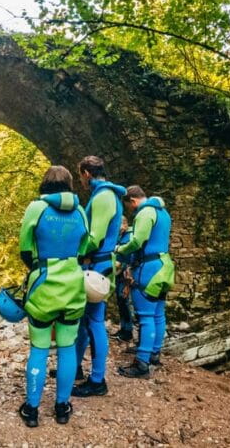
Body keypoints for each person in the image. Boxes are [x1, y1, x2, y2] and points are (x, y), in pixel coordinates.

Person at [18, 165, 90, 427]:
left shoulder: (36, 208)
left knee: (39, 348)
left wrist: (40, 267)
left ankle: (32, 410)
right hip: (73, 285)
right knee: (67, 347)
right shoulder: (80, 210)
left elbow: (25, 249)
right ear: (70, 185)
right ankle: (62, 406)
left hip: (44, 285)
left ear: (45, 184)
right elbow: (85, 247)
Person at [72, 156, 126, 398]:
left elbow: (95, 236)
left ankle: (97, 380)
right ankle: (75, 369)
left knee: (94, 322)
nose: (81, 181)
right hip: (97, 263)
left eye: (80, 176)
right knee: (84, 321)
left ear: (86, 173)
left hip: (97, 265)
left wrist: (76, 254)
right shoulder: (104, 194)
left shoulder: (103, 196)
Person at [115, 185, 175, 379]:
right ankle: (154, 354)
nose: (131, 211)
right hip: (164, 266)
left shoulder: (145, 212)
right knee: (158, 313)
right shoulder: (163, 212)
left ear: (132, 201)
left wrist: (118, 250)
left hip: (149, 269)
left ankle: (142, 363)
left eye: (129, 207)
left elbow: (137, 241)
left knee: (145, 316)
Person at [113, 215, 136, 343]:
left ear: (125, 224)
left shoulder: (130, 236)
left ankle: (128, 332)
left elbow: (130, 255)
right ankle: (124, 328)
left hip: (126, 273)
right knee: (121, 300)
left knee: (125, 300)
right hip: (118, 272)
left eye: (119, 225)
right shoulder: (119, 235)